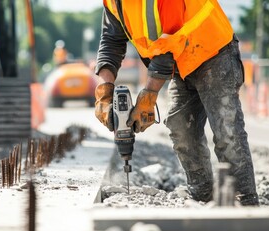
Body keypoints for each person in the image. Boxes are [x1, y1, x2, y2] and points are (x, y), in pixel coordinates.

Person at [94, 0, 259, 205]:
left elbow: (169, 43)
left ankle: (246, 203)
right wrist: (104, 91)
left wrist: (149, 96)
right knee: (181, 127)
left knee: (227, 131)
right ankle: (203, 197)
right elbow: (111, 42)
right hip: (181, 63)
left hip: (214, 53)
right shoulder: (112, 1)